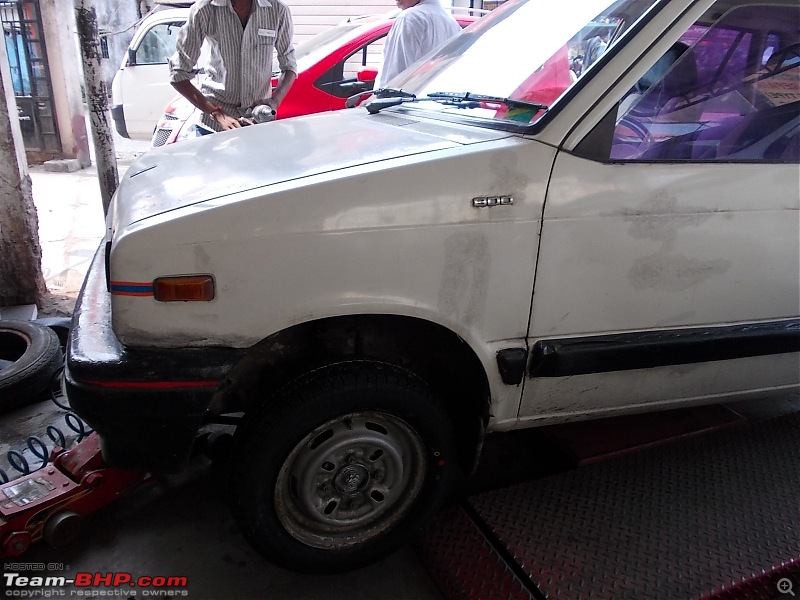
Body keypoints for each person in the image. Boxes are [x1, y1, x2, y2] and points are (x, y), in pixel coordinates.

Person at [169, 0, 297, 133]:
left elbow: (289, 65)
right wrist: (216, 114)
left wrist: (274, 101)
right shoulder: (203, 10)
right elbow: (178, 74)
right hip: (213, 128)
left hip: (258, 123)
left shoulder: (277, 10)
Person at [375, 0, 460, 89]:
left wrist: (373, 100)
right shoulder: (452, 23)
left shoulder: (410, 18)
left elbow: (393, 81)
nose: (396, 2)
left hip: (402, 99)